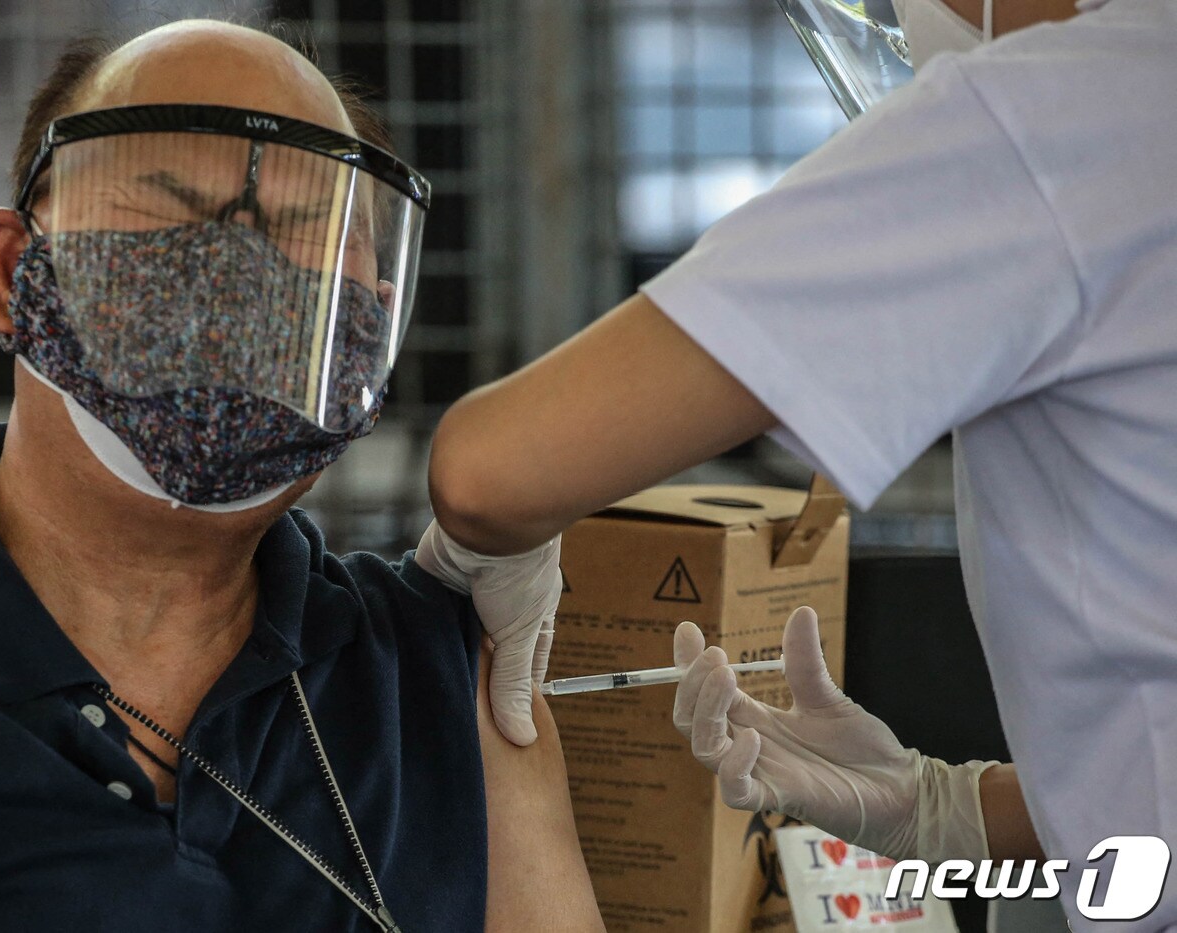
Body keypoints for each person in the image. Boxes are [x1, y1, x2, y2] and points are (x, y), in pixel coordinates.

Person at [0, 20, 604, 931]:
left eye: (307, 230)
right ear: (15, 272)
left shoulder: (439, 671)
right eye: (170, 207)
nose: (242, 266)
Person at [426, 0, 1177, 927]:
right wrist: (946, 810)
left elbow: (491, 472)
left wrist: (497, 550)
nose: (898, 17)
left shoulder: (1062, 112)